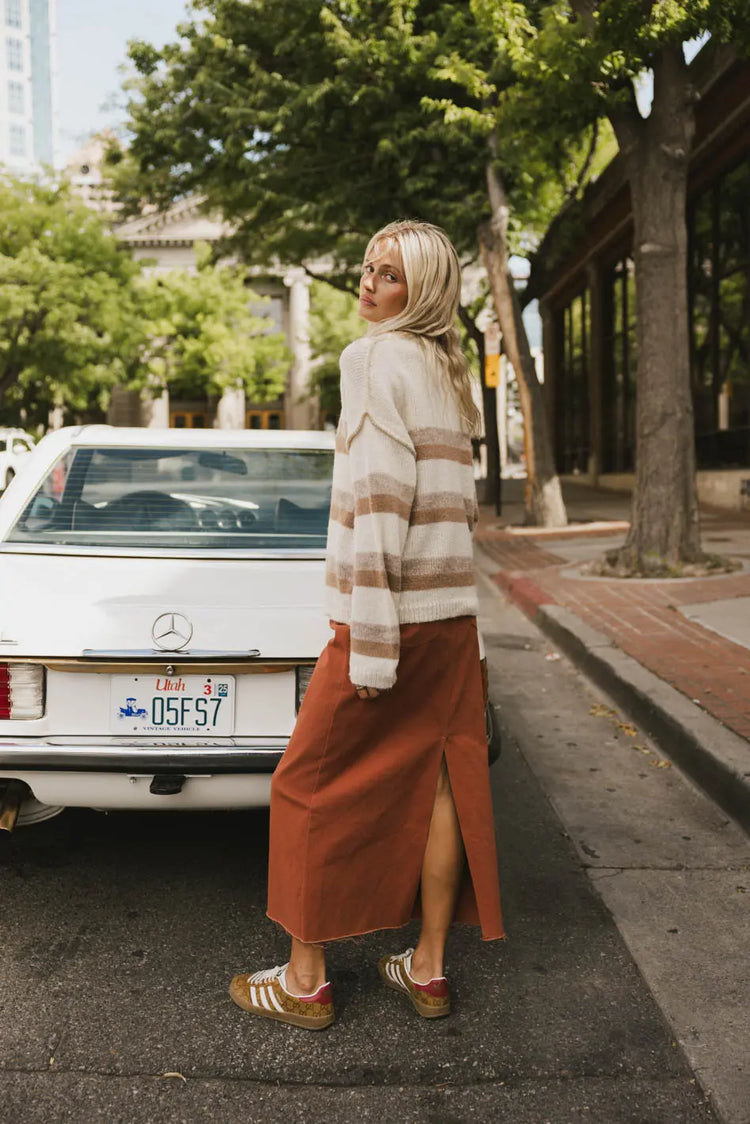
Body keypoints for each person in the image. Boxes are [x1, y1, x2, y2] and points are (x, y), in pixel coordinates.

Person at [229, 219, 504, 1031]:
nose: (366, 284)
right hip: (451, 623)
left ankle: (306, 981)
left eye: (386, 276)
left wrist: (373, 650)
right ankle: (427, 969)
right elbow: (460, 516)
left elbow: (385, 506)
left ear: (417, 293)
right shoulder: (447, 372)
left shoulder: (375, 358)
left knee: (304, 783)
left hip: (388, 624)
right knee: (445, 782)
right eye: (366, 269)